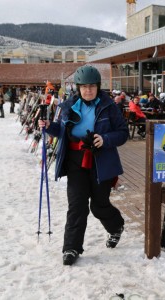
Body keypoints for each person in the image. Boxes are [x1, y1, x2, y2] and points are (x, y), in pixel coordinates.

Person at [38, 65, 129, 266]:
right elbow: (62, 131)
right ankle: (71, 248)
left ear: (98, 87)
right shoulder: (69, 106)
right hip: (75, 161)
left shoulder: (109, 107)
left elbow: (123, 133)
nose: (88, 90)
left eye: (92, 86)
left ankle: (116, 226)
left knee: (98, 205)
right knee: (77, 205)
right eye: (84, 87)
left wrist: (105, 139)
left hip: (101, 160)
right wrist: (48, 127)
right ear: (78, 88)